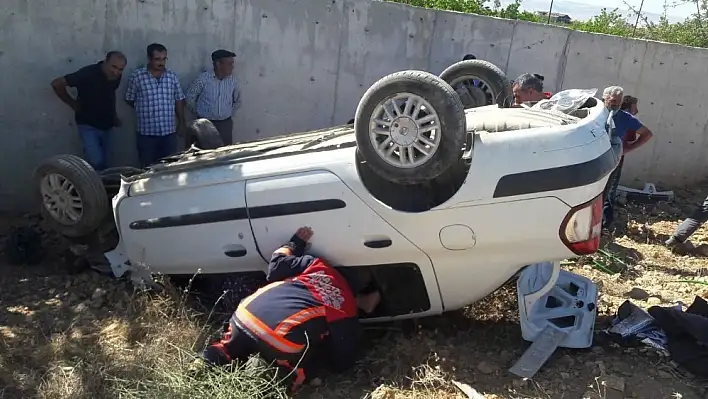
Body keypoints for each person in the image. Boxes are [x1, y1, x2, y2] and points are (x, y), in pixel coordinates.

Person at [201, 226, 381, 392]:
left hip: (243, 317)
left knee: (229, 346)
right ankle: (263, 377)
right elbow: (343, 360)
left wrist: (294, 243)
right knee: (300, 365)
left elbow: (276, 265)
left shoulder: (317, 266)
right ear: (358, 291)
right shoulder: (345, 308)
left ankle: (202, 363)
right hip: (277, 339)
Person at [50, 51, 127, 171]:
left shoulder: (116, 76)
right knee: (96, 163)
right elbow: (56, 84)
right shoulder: (87, 74)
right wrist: (72, 103)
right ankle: (95, 188)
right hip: (88, 125)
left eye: (120, 69)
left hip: (108, 125)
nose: (116, 72)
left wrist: (114, 117)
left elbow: (109, 95)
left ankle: (105, 188)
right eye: (114, 67)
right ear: (105, 62)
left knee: (108, 165)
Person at [601, 86, 654, 230]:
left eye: (618, 103)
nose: (615, 106)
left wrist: (627, 149)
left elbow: (647, 134)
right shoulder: (597, 113)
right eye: (612, 103)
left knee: (608, 192)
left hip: (613, 160)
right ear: (604, 99)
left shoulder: (625, 118)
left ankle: (604, 226)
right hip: (595, 160)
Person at [125, 43, 186, 167]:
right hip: (146, 134)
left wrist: (181, 121)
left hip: (168, 133)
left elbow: (179, 99)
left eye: (164, 59)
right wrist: (144, 108)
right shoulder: (137, 77)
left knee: (170, 167)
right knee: (147, 168)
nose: (161, 62)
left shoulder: (172, 77)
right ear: (149, 59)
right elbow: (130, 99)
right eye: (157, 59)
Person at [185, 49, 242, 146]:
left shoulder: (233, 81)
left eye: (232, 63)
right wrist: (199, 112)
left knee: (225, 153)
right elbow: (189, 97)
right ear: (218, 64)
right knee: (205, 154)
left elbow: (238, 101)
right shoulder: (203, 79)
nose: (232, 67)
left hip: (225, 125)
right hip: (205, 125)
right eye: (229, 64)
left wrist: (227, 113)